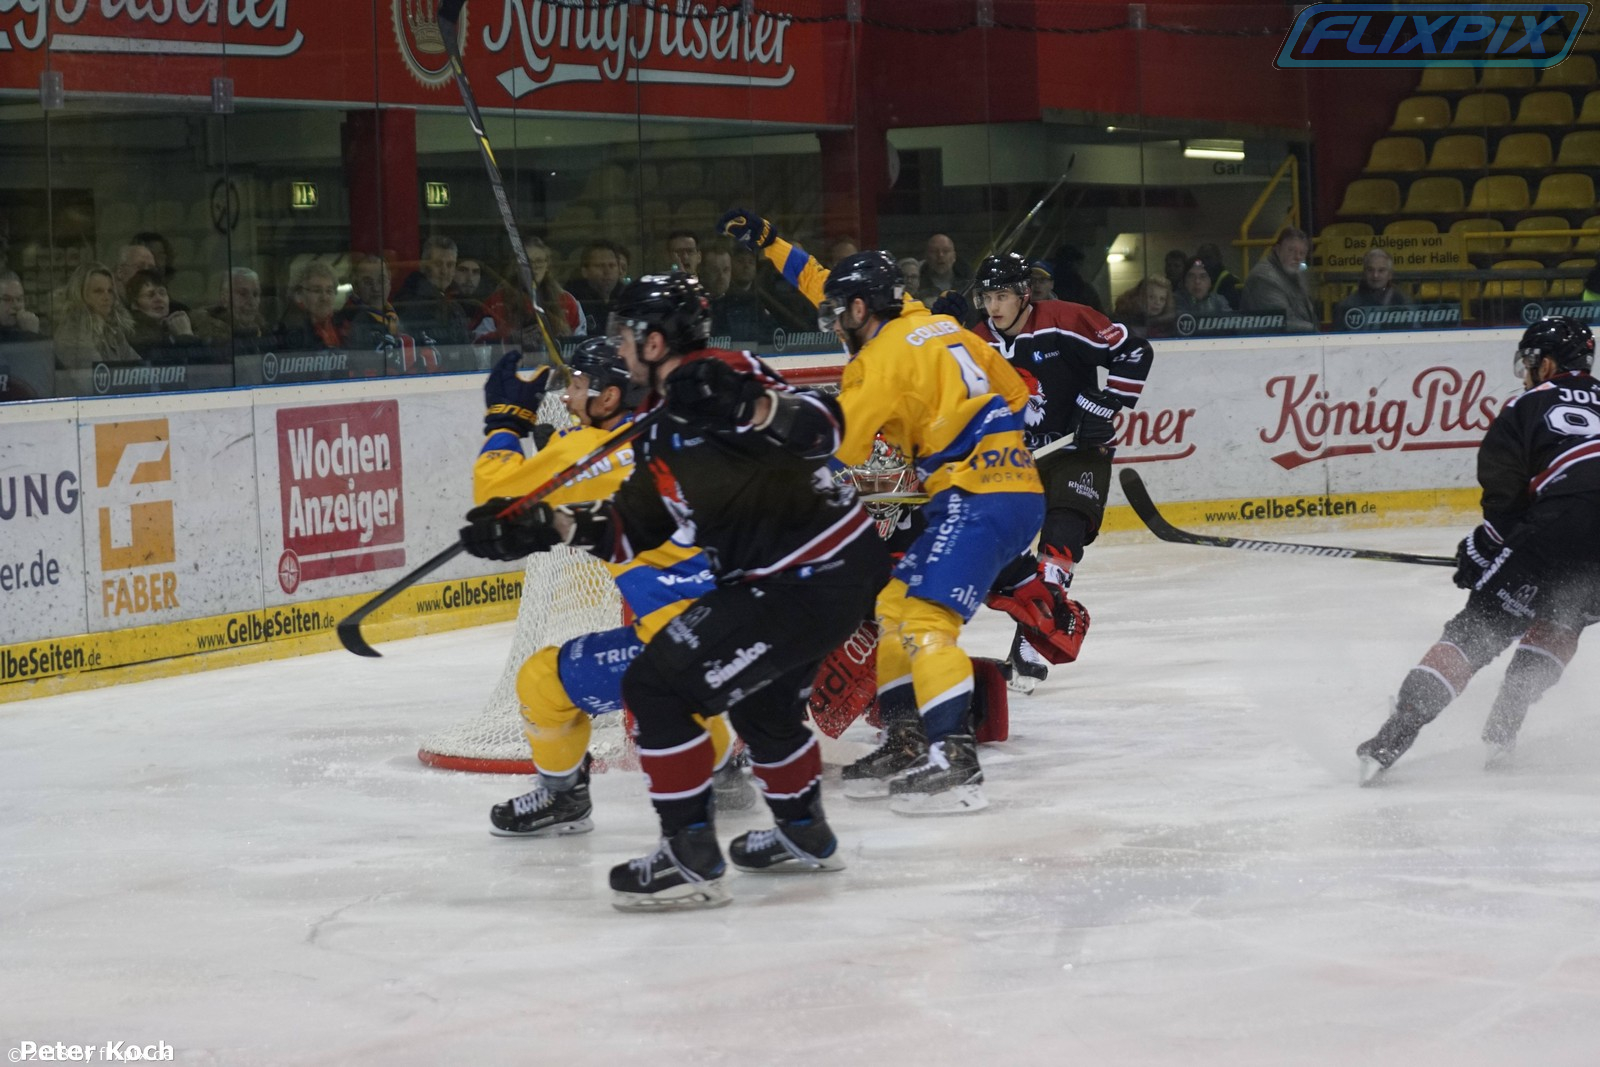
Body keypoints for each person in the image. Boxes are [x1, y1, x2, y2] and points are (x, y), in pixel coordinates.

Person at [463, 273, 890, 909]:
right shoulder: (660, 430)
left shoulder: (728, 372)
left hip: (812, 575)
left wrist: (753, 407)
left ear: (654, 341)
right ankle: (805, 836)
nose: (618, 347)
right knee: (762, 707)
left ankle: (690, 859)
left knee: (657, 688)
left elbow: (827, 430)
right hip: (800, 579)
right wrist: (546, 528)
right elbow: (637, 526)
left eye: (623, 336)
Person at [462, 338, 753, 837]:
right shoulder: (675, 427)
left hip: (685, 637)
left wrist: (506, 423)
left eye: (578, 385)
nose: (568, 396)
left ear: (611, 396)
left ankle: (563, 796)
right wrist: (558, 452)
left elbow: (494, 496)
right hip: (750, 615)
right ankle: (725, 773)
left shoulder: (584, 451)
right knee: (676, 686)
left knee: (540, 680)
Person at [819, 253, 1045, 815]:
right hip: (1004, 487)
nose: (837, 326)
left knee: (924, 621)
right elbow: (1016, 396)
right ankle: (907, 740)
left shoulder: (879, 357)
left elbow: (839, 448)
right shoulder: (948, 330)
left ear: (859, 308)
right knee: (895, 605)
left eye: (839, 312)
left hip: (976, 497)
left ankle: (954, 762)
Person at [1357, 318, 1600, 783]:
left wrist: (1484, 548)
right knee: (1563, 620)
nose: (1527, 374)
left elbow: (1505, 496)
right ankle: (1504, 729)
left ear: (1547, 364)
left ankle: (1391, 739)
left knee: (1476, 632)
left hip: (1558, 526)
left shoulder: (1526, 404)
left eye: (1530, 364)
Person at [971, 251, 1155, 694]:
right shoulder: (975, 342)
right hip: (1013, 462)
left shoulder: (1066, 320)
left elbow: (1134, 350)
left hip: (1077, 450)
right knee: (998, 553)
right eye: (987, 297)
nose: (994, 306)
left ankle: (1030, 645)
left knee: (1061, 537)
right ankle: (1036, 620)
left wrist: (1106, 403)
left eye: (1002, 296)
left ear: (1024, 294)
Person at [54, 263, 137, 370]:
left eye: (110, 291)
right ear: (80, 294)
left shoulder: (113, 330)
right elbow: (95, 376)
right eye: (98, 291)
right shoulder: (73, 333)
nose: (107, 297)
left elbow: (137, 366)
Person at [393, 236, 470, 347]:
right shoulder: (411, 304)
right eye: (438, 264)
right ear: (424, 266)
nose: (444, 271)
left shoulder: (454, 305)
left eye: (450, 265)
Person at [1240, 228, 1318, 333]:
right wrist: (1314, 332)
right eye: (1291, 250)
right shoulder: (1263, 278)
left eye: (1302, 253)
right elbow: (1283, 321)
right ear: (1277, 249)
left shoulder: (1296, 274)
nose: (1298, 257)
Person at [124, 269, 203, 361]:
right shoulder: (134, 333)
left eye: (162, 293)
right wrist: (185, 336)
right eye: (150, 295)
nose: (159, 299)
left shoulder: (173, 326)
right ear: (135, 304)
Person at [194, 267, 272, 356]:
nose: (252, 302)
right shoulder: (209, 337)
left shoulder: (265, 331)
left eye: (255, 294)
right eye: (242, 294)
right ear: (224, 299)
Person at [275, 260, 343, 352]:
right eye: (317, 291)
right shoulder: (291, 330)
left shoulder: (342, 324)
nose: (324, 298)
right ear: (298, 295)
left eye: (329, 291)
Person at [1335, 249, 1410, 330]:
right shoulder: (1348, 306)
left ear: (1390, 275)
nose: (1375, 275)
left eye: (1381, 270)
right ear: (1364, 273)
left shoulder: (1404, 303)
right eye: (1370, 270)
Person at [565, 241, 624, 335]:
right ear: (585, 271)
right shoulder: (573, 301)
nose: (607, 271)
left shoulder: (627, 297)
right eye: (600, 266)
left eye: (612, 265)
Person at [916, 232, 969, 301]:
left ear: (954, 256)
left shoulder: (969, 284)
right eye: (934, 251)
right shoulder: (916, 284)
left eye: (946, 251)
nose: (940, 255)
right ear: (926, 256)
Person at [1195, 243, 1244, 310]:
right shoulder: (1200, 282)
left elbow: (1233, 310)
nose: (1204, 263)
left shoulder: (1230, 282)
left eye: (1208, 258)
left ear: (1219, 258)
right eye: (1200, 260)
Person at [0, 270, 43, 342]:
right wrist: (30, 335)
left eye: (19, 299)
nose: (16, 305)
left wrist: (34, 332)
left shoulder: (28, 326)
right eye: (7, 299)